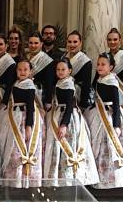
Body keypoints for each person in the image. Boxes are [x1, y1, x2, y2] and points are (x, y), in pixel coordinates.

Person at [87, 52, 123, 189]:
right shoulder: (99, 79)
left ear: (111, 67)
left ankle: (114, 180)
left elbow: (117, 104)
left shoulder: (112, 81)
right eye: (98, 64)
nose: (100, 67)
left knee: (110, 146)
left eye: (103, 65)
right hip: (97, 114)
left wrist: (117, 125)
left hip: (111, 115)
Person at [42, 58, 98, 186]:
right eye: (58, 70)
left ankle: (70, 179)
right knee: (56, 147)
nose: (60, 72)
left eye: (63, 70)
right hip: (57, 113)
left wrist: (64, 124)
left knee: (67, 144)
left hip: (68, 118)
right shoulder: (60, 82)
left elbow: (69, 106)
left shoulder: (68, 84)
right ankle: (57, 178)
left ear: (70, 71)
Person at [0, 60, 43, 187]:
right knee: (11, 149)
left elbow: (31, 107)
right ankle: (12, 180)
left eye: (25, 70)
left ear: (30, 72)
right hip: (12, 117)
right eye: (19, 69)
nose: (22, 72)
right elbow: (6, 99)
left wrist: (28, 126)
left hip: (23, 119)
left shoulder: (29, 86)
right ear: (16, 71)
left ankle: (24, 180)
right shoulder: (15, 83)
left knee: (21, 148)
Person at [26, 32, 56, 108]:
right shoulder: (24, 58)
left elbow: (49, 84)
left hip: (39, 96)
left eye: (36, 43)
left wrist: (48, 102)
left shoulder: (48, 61)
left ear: (41, 44)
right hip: (24, 94)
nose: (33, 45)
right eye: (31, 43)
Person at [64, 31, 93, 107]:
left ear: (80, 43)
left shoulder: (86, 61)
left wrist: (83, 105)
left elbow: (86, 86)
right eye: (69, 42)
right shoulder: (63, 57)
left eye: (75, 42)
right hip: (61, 94)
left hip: (76, 98)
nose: (72, 44)